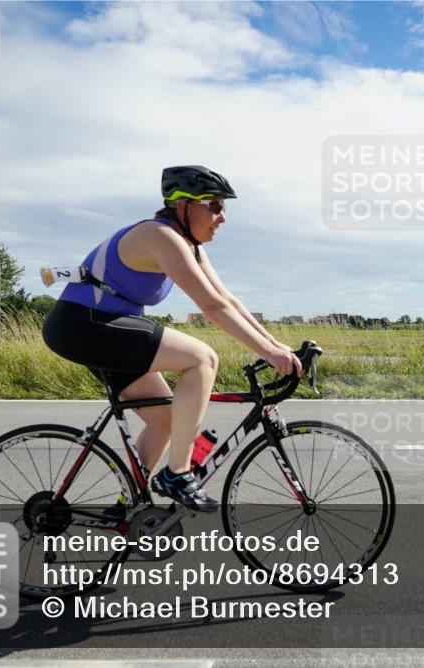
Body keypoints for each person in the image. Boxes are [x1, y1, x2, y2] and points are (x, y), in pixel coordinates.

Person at [42, 166, 301, 512]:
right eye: (214, 205)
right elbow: (210, 306)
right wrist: (268, 352)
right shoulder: (161, 237)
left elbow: (228, 300)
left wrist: (277, 347)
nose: (222, 217)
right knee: (203, 359)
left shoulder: (189, 246)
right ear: (183, 205)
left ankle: (127, 509)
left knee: (168, 422)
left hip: (102, 327)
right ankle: (177, 474)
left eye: (223, 207)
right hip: (84, 323)